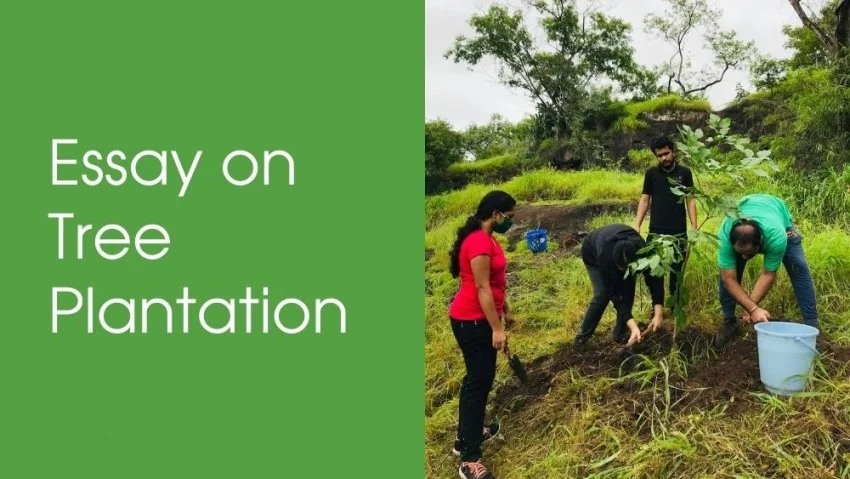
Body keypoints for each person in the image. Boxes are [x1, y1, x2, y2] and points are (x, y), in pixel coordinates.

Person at [447, 190, 517, 479]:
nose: (511, 222)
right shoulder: (477, 242)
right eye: (509, 217)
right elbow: (481, 288)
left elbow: (495, 280)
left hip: (479, 318)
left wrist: (506, 309)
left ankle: (467, 434)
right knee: (479, 383)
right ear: (496, 214)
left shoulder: (487, 238)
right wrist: (497, 328)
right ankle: (469, 459)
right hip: (472, 321)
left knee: (475, 379)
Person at [714, 193, 819, 348]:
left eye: (748, 253)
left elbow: (767, 274)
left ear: (761, 243)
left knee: (798, 267)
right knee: (727, 275)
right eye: (740, 252)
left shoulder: (776, 236)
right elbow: (728, 279)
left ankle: (812, 324)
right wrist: (753, 309)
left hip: (776, 212)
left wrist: (751, 308)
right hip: (750, 213)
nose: (744, 256)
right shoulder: (724, 236)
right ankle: (730, 323)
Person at [573, 223, 665, 348]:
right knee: (602, 294)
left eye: (627, 268)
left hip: (622, 244)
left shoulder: (642, 251)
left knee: (628, 291)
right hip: (592, 252)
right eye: (621, 268)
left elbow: (654, 277)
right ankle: (582, 337)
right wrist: (633, 325)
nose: (623, 272)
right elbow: (614, 294)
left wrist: (658, 312)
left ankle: (620, 333)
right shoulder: (605, 257)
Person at [634, 136, 698, 300]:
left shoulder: (685, 173)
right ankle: (657, 306)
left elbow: (690, 199)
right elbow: (645, 199)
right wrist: (637, 225)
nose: (664, 158)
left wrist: (694, 226)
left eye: (666, 153)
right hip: (656, 232)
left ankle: (675, 305)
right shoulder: (651, 174)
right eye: (659, 155)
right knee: (654, 271)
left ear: (673, 151)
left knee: (676, 271)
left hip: (679, 232)